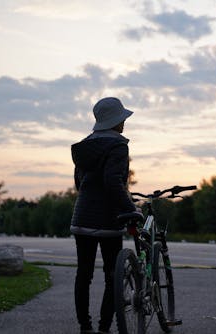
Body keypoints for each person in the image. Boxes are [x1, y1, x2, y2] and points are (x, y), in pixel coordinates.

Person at [70, 97, 139, 334]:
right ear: (115, 121)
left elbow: (79, 182)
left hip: (82, 216)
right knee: (113, 276)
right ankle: (104, 328)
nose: (124, 124)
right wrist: (129, 208)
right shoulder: (118, 146)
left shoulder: (85, 147)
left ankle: (85, 327)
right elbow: (113, 181)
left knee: (84, 275)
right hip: (109, 218)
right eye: (122, 119)